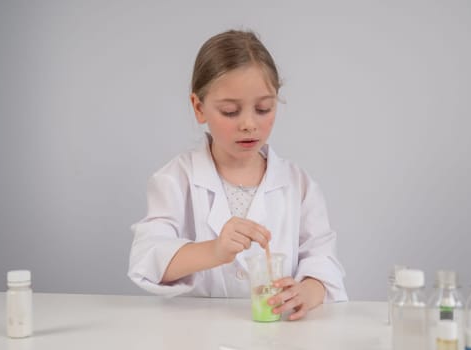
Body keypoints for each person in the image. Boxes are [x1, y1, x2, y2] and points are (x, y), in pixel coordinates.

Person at [128, 29, 348, 321]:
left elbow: (324, 263)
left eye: (263, 108)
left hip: (278, 337)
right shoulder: (175, 180)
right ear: (199, 107)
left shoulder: (299, 185)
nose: (248, 124)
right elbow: (147, 258)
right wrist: (214, 251)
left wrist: (307, 292)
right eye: (230, 111)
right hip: (197, 334)